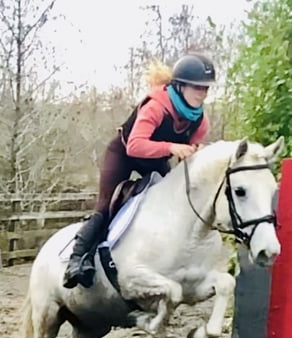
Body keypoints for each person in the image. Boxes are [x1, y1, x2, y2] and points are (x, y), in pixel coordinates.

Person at [62, 52, 216, 289]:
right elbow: (135, 145)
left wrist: (196, 153)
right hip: (124, 154)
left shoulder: (200, 121)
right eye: (196, 87)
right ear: (180, 85)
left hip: (155, 161)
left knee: (170, 205)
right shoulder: (156, 106)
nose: (202, 93)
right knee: (106, 205)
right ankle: (76, 260)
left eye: (205, 88)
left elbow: (187, 157)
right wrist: (172, 147)